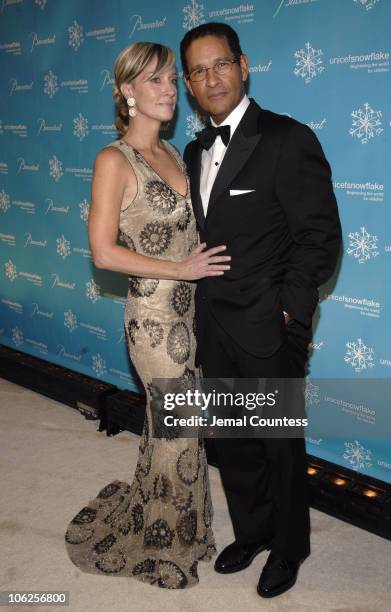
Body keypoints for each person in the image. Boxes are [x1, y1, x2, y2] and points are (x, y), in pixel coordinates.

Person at [180, 23, 342, 598]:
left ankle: (290, 546)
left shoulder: (286, 138)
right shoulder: (193, 150)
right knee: (232, 442)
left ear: (243, 66)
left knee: (278, 444)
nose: (210, 78)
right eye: (198, 72)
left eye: (219, 64)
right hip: (213, 323)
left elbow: (319, 238)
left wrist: (288, 314)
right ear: (190, 86)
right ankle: (251, 533)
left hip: (268, 325)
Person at [64, 41, 231, 589]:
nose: (168, 90)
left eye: (169, 80)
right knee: (179, 432)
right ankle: (166, 550)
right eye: (153, 80)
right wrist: (179, 270)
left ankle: (185, 530)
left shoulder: (178, 153)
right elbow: (103, 252)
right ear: (127, 93)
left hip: (192, 315)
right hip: (155, 322)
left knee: (179, 431)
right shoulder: (114, 160)